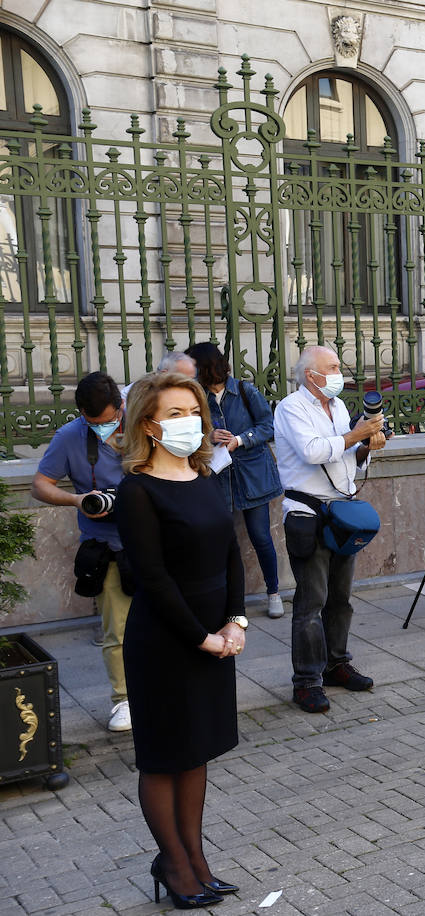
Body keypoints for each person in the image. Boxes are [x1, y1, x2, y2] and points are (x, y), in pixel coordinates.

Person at [113, 371, 245, 909]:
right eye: (175, 414)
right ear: (148, 423)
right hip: (168, 640)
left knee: (197, 752)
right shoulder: (137, 490)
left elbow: (233, 553)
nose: (189, 423)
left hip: (217, 633)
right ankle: (172, 862)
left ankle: (195, 858)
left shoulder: (205, 475)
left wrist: (236, 621)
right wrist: (202, 639)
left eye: (194, 413)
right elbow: (153, 578)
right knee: (165, 755)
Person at [275, 346, 386, 713]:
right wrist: (356, 436)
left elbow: (344, 461)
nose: (340, 372)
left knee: (341, 598)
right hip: (307, 512)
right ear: (311, 375)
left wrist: (367, 445)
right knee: (311, 601)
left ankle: (336, 663)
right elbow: (312, 451)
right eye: (333, 367)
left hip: (341, 511)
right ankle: (306, 680)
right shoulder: (291, 407)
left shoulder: (337, 406)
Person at [31, 372, 133, 733]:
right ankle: (122, 699)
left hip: (153, 541)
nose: (103, 430)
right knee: (117, 629)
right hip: (106, 547)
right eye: (94, 424)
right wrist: (77, 499)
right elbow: (40, 486)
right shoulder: (70, 436)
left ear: (121, 406)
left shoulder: (141, 424)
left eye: (108, 422)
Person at [185, 342, 286, 619]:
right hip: (217, 478)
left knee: (261, 537)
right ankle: (227, 600)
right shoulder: (196, 396)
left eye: (193, 366)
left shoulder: (244, 389)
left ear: (204, 367)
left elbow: (268, 426)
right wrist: (209, 438)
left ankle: (273, 592)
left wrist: (240, 440)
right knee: (222, 541)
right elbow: (188, 434)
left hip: (252, 476)